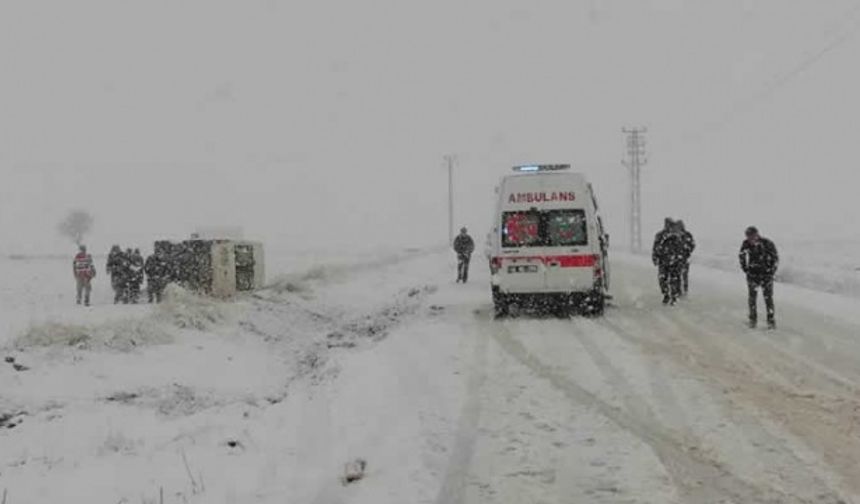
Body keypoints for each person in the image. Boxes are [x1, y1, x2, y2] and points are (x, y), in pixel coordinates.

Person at [739, 226, 779, 329]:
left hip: (766, 276)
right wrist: (746, 269)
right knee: (752, 298)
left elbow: (775, 258)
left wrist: (771, 272)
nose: (750, 239)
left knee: (768, 298)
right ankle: (753, 320)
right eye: (748, 236)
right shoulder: (746, 244)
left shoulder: (767, 243)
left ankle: (771, 321)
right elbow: (741, 256)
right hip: (753, 275)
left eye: (752, 236)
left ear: (757, 234)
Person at [652, 218, 675, 302]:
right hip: (663, 260)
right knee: (662, 279)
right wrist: (655, 257)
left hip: (673, 261)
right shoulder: (660, 235)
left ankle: (673, 295)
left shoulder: (674, 236)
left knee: (673, 279)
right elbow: (655, 247)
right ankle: (666, 294)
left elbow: (680, 248)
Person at [677, 220, 696, 296]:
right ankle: (681, 291)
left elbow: (692, 244)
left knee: (683, 275)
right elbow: (692, 244)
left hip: (683, 259)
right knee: (680, 275)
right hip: (680, 259)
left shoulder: (686, 235)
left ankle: (684, 290)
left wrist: (687, 251)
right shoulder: (685, 235)